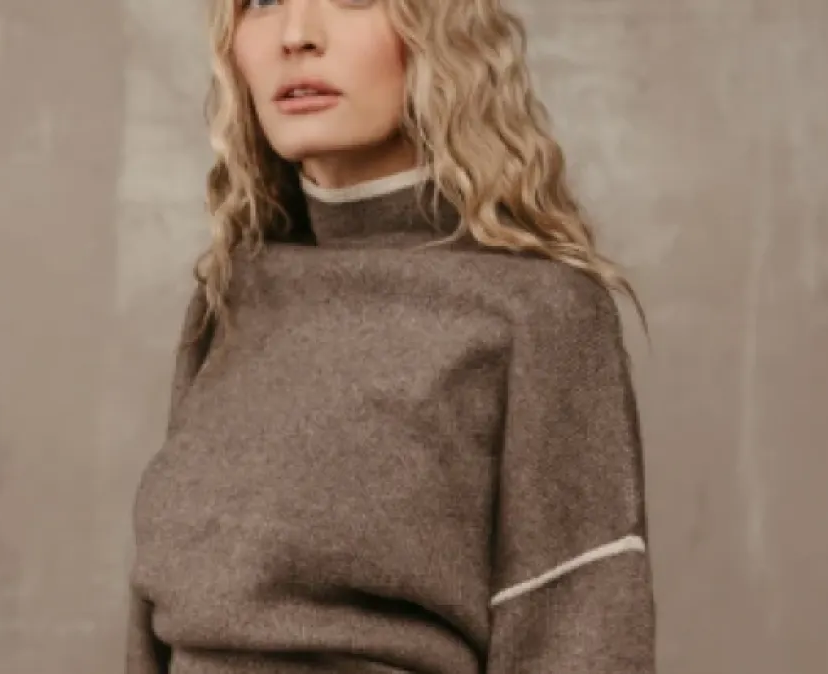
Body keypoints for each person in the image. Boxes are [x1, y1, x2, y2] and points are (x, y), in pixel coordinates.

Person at [126, 0, 656, 672]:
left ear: (439, 29)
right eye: (261, 1)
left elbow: (579, 632)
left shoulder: (538, 313)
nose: (297, 35)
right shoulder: (230, 301)